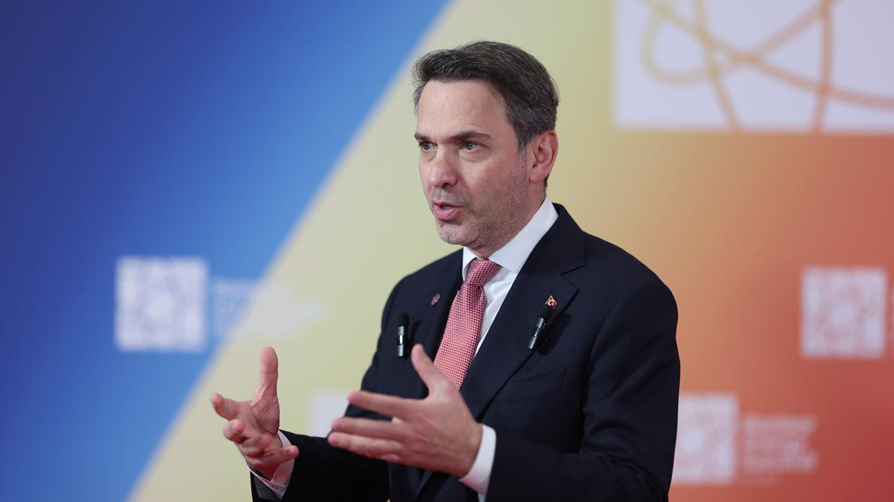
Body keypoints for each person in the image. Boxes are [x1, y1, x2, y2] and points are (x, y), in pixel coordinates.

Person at [211, 41, 679, 502]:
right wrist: (281, 461)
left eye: (468, 145)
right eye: (427, 146)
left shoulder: (623, 298)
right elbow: (375, 466)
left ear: (539, 155)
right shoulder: (415, 295)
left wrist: (479, 456)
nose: (438, 174)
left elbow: (632, 488)